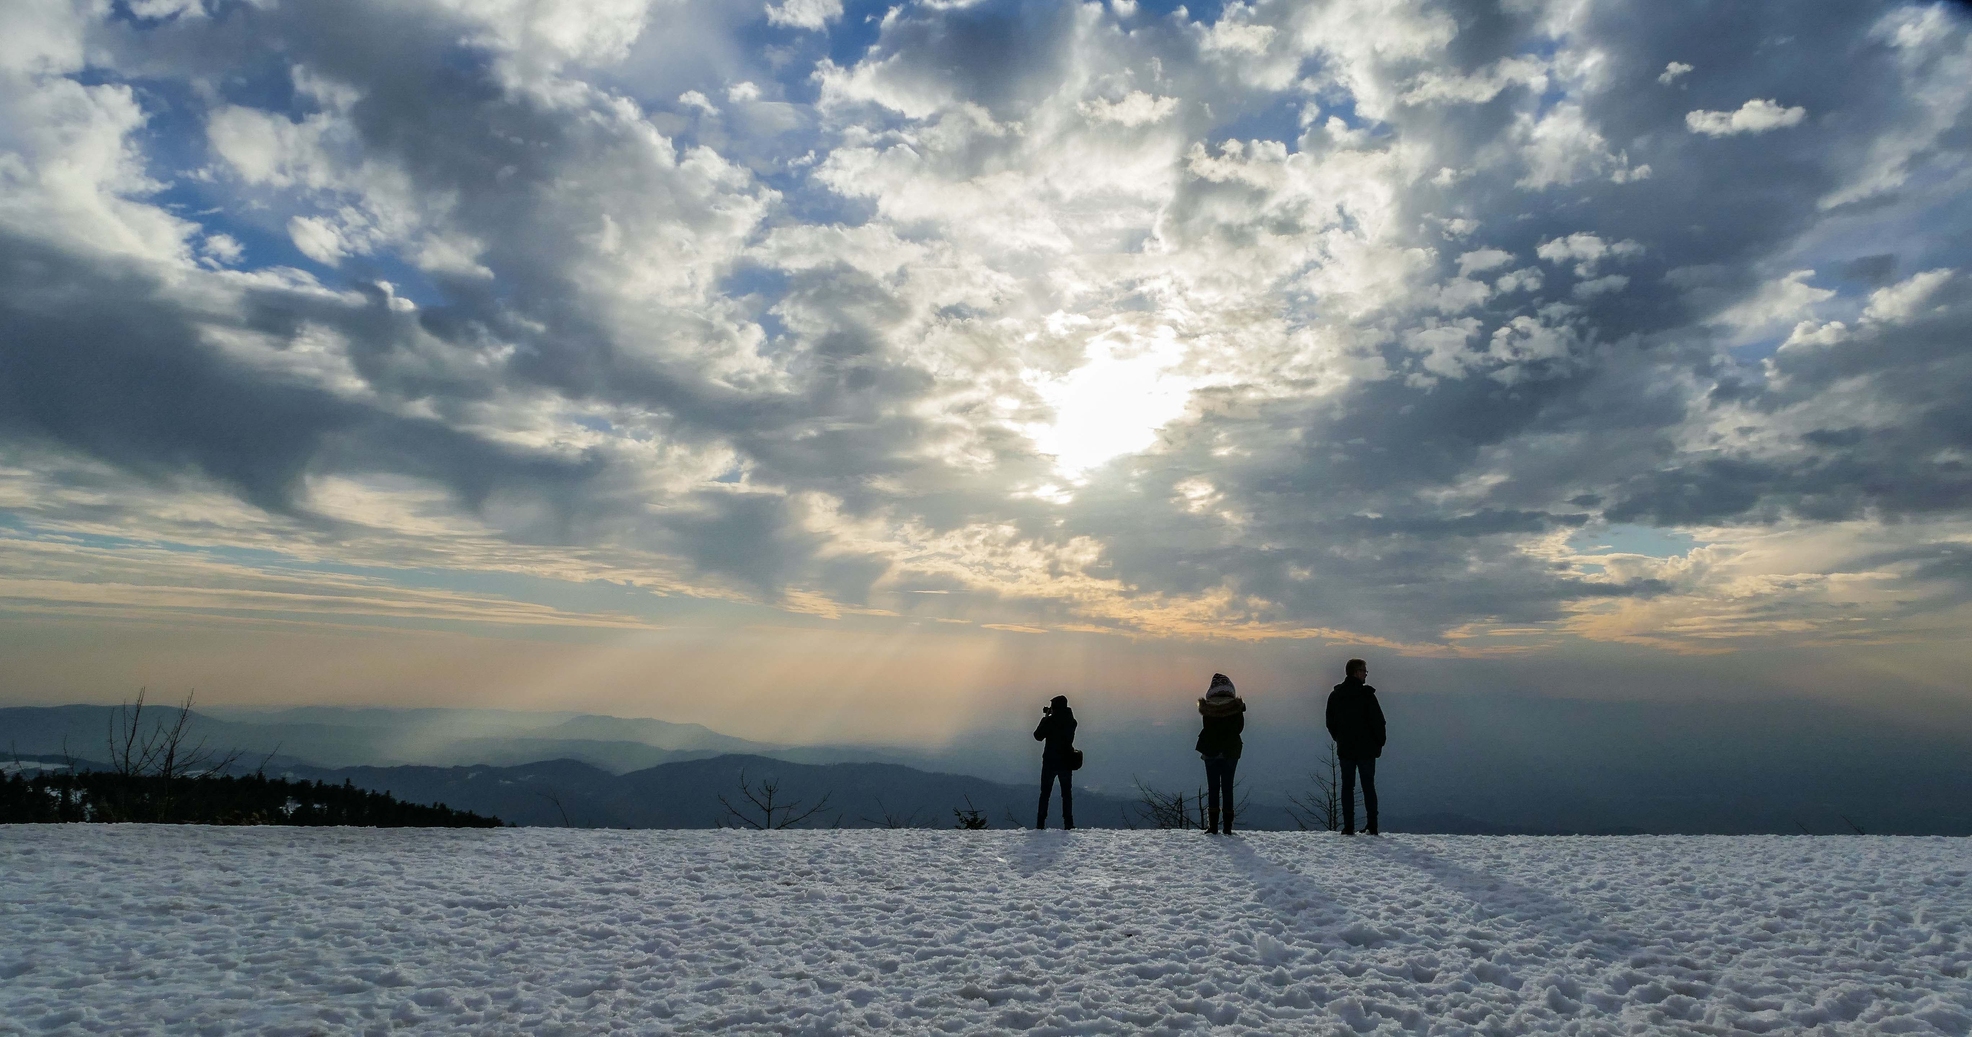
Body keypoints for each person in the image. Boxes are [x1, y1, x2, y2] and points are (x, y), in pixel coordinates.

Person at [1325, 658, 1386, 835]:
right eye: (1364, 671)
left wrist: (1340, 739)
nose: (1366, 674)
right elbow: (1378, 722)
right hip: (1367, 750)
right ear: (1356, 672)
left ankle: (1348, 825)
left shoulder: (1336, 695)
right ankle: (1372, 825)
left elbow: (1330, 722)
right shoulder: (1367, 695)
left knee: (1347, 787)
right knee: (1368, 786)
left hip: (1346, 749)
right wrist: (1378, 743)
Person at [1195, 673, 1245, 834]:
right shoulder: (1235, 706)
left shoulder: (1208, 707)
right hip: (1231, 751)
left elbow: (1207, 728)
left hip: (1211, 750)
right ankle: (1228, 827)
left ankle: (1213, 826)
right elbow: (1239, 728)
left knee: (1213, 788)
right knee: (1228, 788)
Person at [1033, 695, 1076, 830]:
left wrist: (1045, 717)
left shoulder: (1050, 721)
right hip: (1066, 761)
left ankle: (1040, 823)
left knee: (1045, 793)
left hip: (1050, 762)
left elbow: (1038, 736)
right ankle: (1068, 823)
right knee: (1066, 794)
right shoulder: (1071, 721)